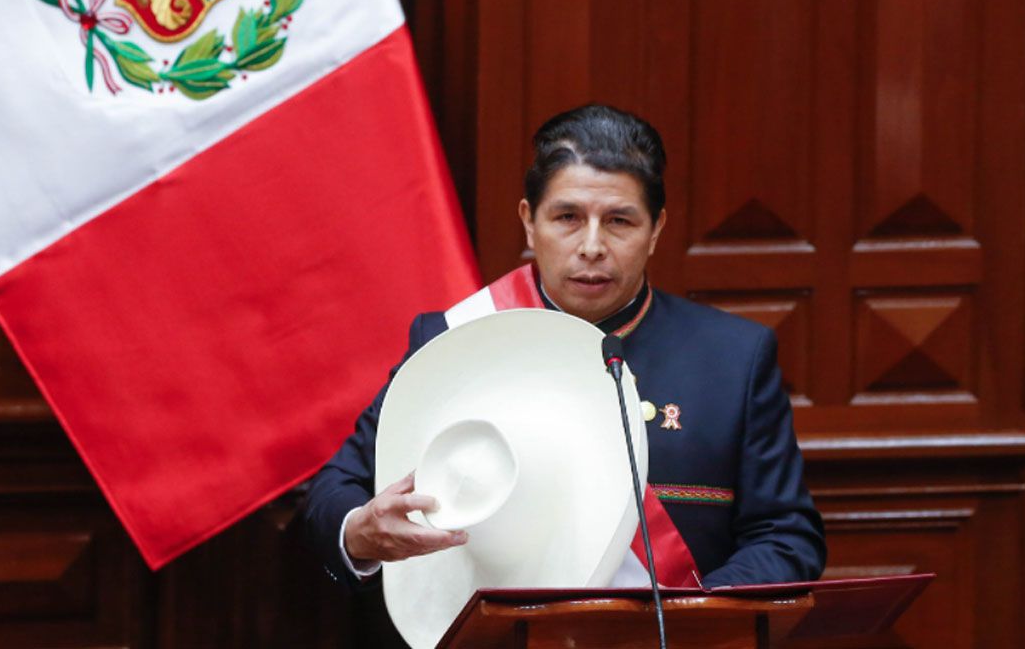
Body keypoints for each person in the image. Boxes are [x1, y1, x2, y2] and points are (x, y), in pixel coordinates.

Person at [301, 104, 826, 595]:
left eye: (619, 221)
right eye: (567, 218)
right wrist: (360, 534)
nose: (592, 245)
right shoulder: (455, 338)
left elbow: (786, 538)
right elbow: (334, 495)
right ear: (530, 221)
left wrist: (690, 619)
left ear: (657, 229)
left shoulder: (732, 359)